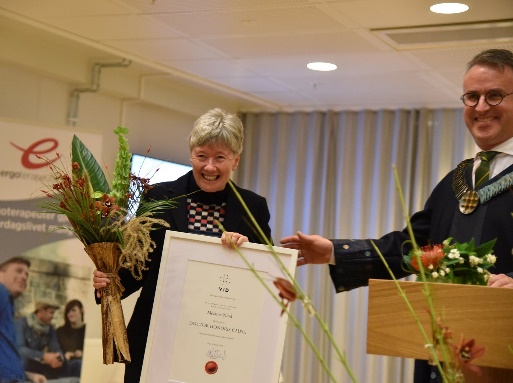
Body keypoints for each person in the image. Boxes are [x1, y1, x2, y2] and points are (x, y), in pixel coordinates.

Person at [280, 48, 513, 383]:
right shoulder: (457, 181)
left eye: (494, 95)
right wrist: (334, 251)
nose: (480, 107)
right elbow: (412, 249)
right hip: (439, 358)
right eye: (471, 96)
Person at [93, 108, 273, 383]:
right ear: (191, 154)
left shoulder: (253, 207)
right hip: (156, 335)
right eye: (202, 156)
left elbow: (267, 282)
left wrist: (248, 252)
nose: (209, 167)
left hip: (221, 343)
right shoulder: (158, 196)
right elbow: (138, 267)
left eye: (220, 158)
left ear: (235, 161)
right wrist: (108, 280)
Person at [15, 301, 76, 380]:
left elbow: (57, 349)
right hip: (23, 365)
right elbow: (20, 349)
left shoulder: (50, 329)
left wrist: (58, 359)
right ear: (41, 311)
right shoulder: (21, 324)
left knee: (72, 364)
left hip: (39, 365)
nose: (52, 316)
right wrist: (43, 356)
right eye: (51, 313)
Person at [55, 300, 85, 378]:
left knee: (78, 363)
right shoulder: (60, 331)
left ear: (81, 310)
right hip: (64, 366)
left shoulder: (88, 330)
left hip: (83, 365)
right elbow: (55, 349)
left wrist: (82, 353)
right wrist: (64, 355)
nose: (70, 314)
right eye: (68, 311)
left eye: (74, 310)